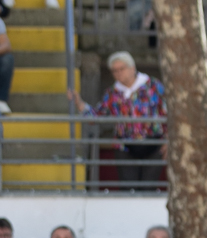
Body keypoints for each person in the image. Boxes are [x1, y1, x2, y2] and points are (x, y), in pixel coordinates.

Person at [70, 51, 167, 191]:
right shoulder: (112, 93)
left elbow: (168, 112)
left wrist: (168, 140)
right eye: (114, 71)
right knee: (128, 188)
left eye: (121, 69)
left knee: (149, 188)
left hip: (153, 143)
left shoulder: (153, 86)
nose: (118, 73)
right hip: (125, 145)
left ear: (132, 68)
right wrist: (80, 104)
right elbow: (97, 116)